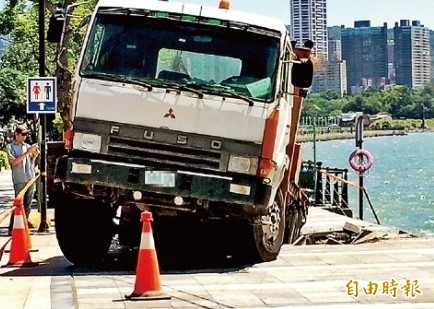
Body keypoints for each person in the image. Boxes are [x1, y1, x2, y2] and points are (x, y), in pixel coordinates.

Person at [5, 124, 40, 234]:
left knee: (28, 205)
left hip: (30, 178)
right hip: (19, 179)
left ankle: (23, 227)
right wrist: (27, 153)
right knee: (18, 204)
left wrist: (34, 155)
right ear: (16, 135)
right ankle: (12, 227)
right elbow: (14, 162)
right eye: (23, 134)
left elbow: (31, 162)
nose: (25, 136)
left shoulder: (27, 146)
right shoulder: (10, 147)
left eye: (26, 134)